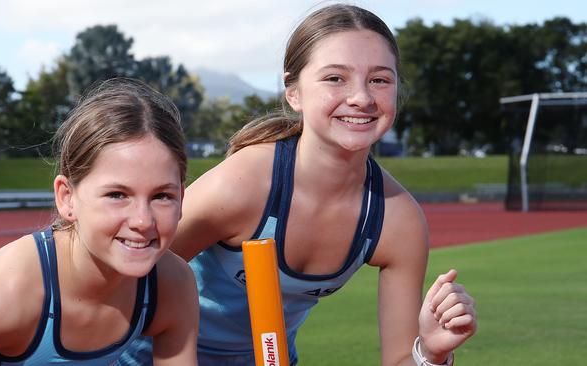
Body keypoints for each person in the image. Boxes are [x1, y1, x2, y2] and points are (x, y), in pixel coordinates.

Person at [121, 4, 477, 365]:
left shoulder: (396, 219)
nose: (362, 98)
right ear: (294, 92)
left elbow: (401, 359)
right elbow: (121, 281)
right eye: (335, 78)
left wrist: (431, 353)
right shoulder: (244, 184)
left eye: (380, 79)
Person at [0, 78, 199, 366]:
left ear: (182, 198)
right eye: (116, 195)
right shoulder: (12, 290)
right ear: (67, 197)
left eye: (162, 196)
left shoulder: (171, 285)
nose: (142, 220)